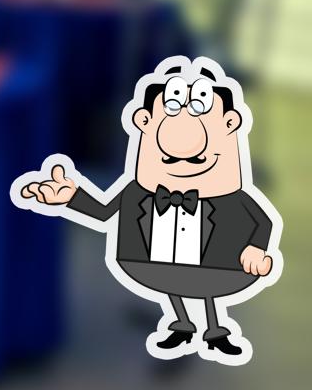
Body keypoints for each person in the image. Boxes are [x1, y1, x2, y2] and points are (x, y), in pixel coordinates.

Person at [14, 56, 281, 364]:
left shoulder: (232, 199)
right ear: (144, 122)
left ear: (230, 124)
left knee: (203, 286)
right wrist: (71, 197)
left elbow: (262, 222)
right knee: (174, 282)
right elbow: (104, 212)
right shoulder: (138, 191)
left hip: (217, 267)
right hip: (153, 262)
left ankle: (215, 331)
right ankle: (182, 324)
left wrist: (255, 248)